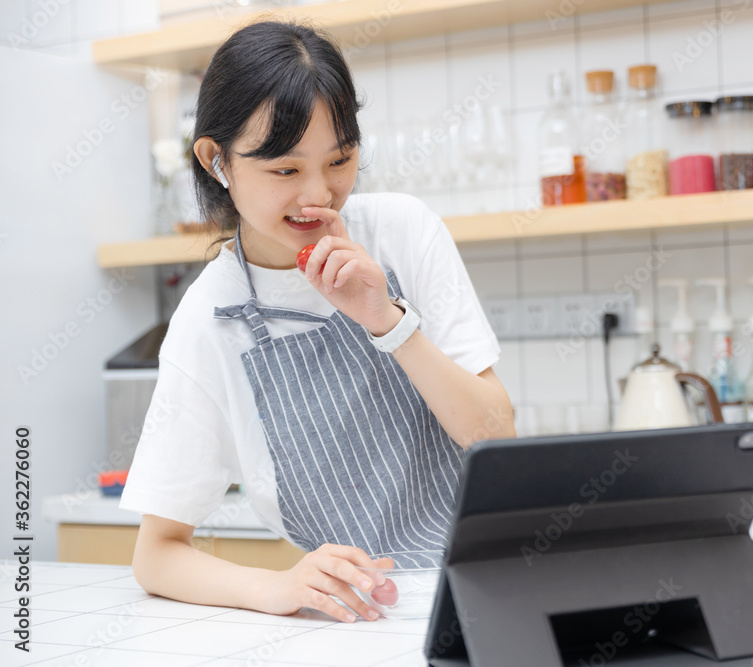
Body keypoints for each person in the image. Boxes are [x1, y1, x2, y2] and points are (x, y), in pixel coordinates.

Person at [120, 19, 515, 624]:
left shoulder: (403, 231)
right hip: (354, 619)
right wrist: (276, 587)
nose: (319, 196)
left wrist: (388, 321)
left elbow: (496, 435)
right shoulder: (210, 316)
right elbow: (156, 556)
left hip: (493, 584)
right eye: (284, 170)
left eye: (340, 160)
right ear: (215, 159)